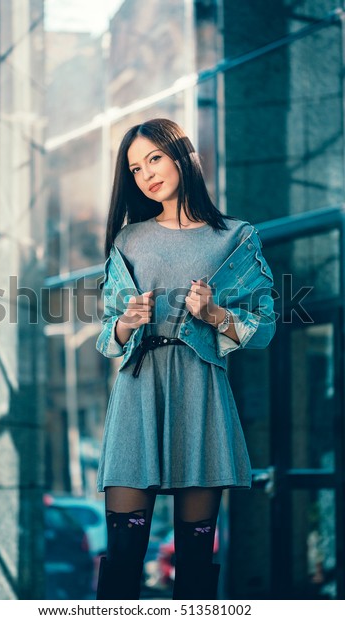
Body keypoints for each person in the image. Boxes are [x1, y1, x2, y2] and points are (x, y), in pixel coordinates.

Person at [95, 118, 276, 600]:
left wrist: (214, 313)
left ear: (181, 156)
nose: (147, 174)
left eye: (154, 158)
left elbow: (265, 328)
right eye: (135, 168)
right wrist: (128, 322)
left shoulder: (235, 236)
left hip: (201, 394)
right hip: (138, 392)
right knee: (123, 556)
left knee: (195, 563)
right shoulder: (128, 241)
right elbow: (107, 338)